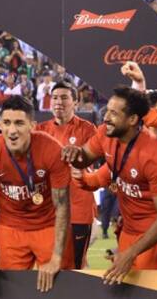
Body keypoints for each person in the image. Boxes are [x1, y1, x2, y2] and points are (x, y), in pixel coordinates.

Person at [63, 86, 157, 283]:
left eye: (113, 113)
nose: (105, 117)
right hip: (128, 232)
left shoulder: (153, 156)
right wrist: (74, 155)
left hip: (155, 237)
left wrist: (131, 252)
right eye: (107, 110)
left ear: (133, 120)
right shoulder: (105, 134)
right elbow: (84, 158)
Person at [0, 95, 72, 293]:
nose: (12, 131)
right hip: (9, 229)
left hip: (48, 226)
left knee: (61, 289)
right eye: (7, 123)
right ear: (0, 125)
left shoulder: (52, 149)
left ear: (32, 126)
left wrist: (56, 257)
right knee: (10, 291)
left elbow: (62, 205)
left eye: (19, 123)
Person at [35, 81, 97, 269]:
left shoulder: (87, 129)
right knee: (47, 264)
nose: (58, 102)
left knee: (77, 266)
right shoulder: (40, 130)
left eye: (64, 97)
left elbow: (91, 161)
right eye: (54, 98)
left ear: (75, 103)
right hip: (49, 211)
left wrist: (78, 155)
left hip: (78, 209)